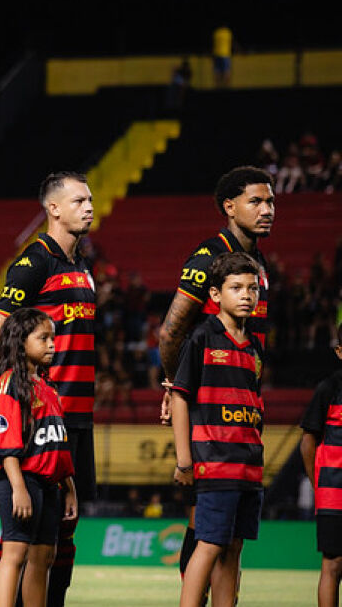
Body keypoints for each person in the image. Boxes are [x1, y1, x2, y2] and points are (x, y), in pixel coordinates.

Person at [158, 166, 274, 586]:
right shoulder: (209, 256)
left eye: (271, 201)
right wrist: (174, 387)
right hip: (209, 418)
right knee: (206, 530)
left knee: (226, 538)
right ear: (230, 207)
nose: (267, 210)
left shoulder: (257, 264)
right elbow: (171, 330)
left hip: (241, 417)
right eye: (255, 201)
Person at [0, 171, 95, 606]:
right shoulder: (35, 261)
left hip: (77, 413)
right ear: (53, 209)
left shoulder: (80, 265)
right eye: (79, 200)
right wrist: (9, 393)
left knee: (63, 529)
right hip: (42, 417)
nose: (88, 206)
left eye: (90, 199)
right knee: (21, 535)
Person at [169, 252, 265, 607]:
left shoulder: (254, 347)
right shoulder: (202, 338)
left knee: (233, 549)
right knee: (208, 545)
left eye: (252, 288)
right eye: (236, 287)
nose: (246, 295)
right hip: (213, 462)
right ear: (214, 295)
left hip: (248, 466)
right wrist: (184, 461)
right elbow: (180, 398)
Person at [0, 307, 77, 607]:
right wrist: (19, 487)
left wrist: (70, 488)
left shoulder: (47, 387)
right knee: (15, 553)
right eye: (44, 338)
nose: (52, 345)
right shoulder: (8, 383)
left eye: (53, 338)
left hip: (49, 483)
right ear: (21, 342)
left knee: (43, 556)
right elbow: (5, 444)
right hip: (20, 479)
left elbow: (56, 442)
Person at [299, 321, 342, 607]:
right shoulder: (329, 388)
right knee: (332, 564)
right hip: (333, 493)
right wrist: (318, 485)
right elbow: (307, 443)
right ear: (340, 351)